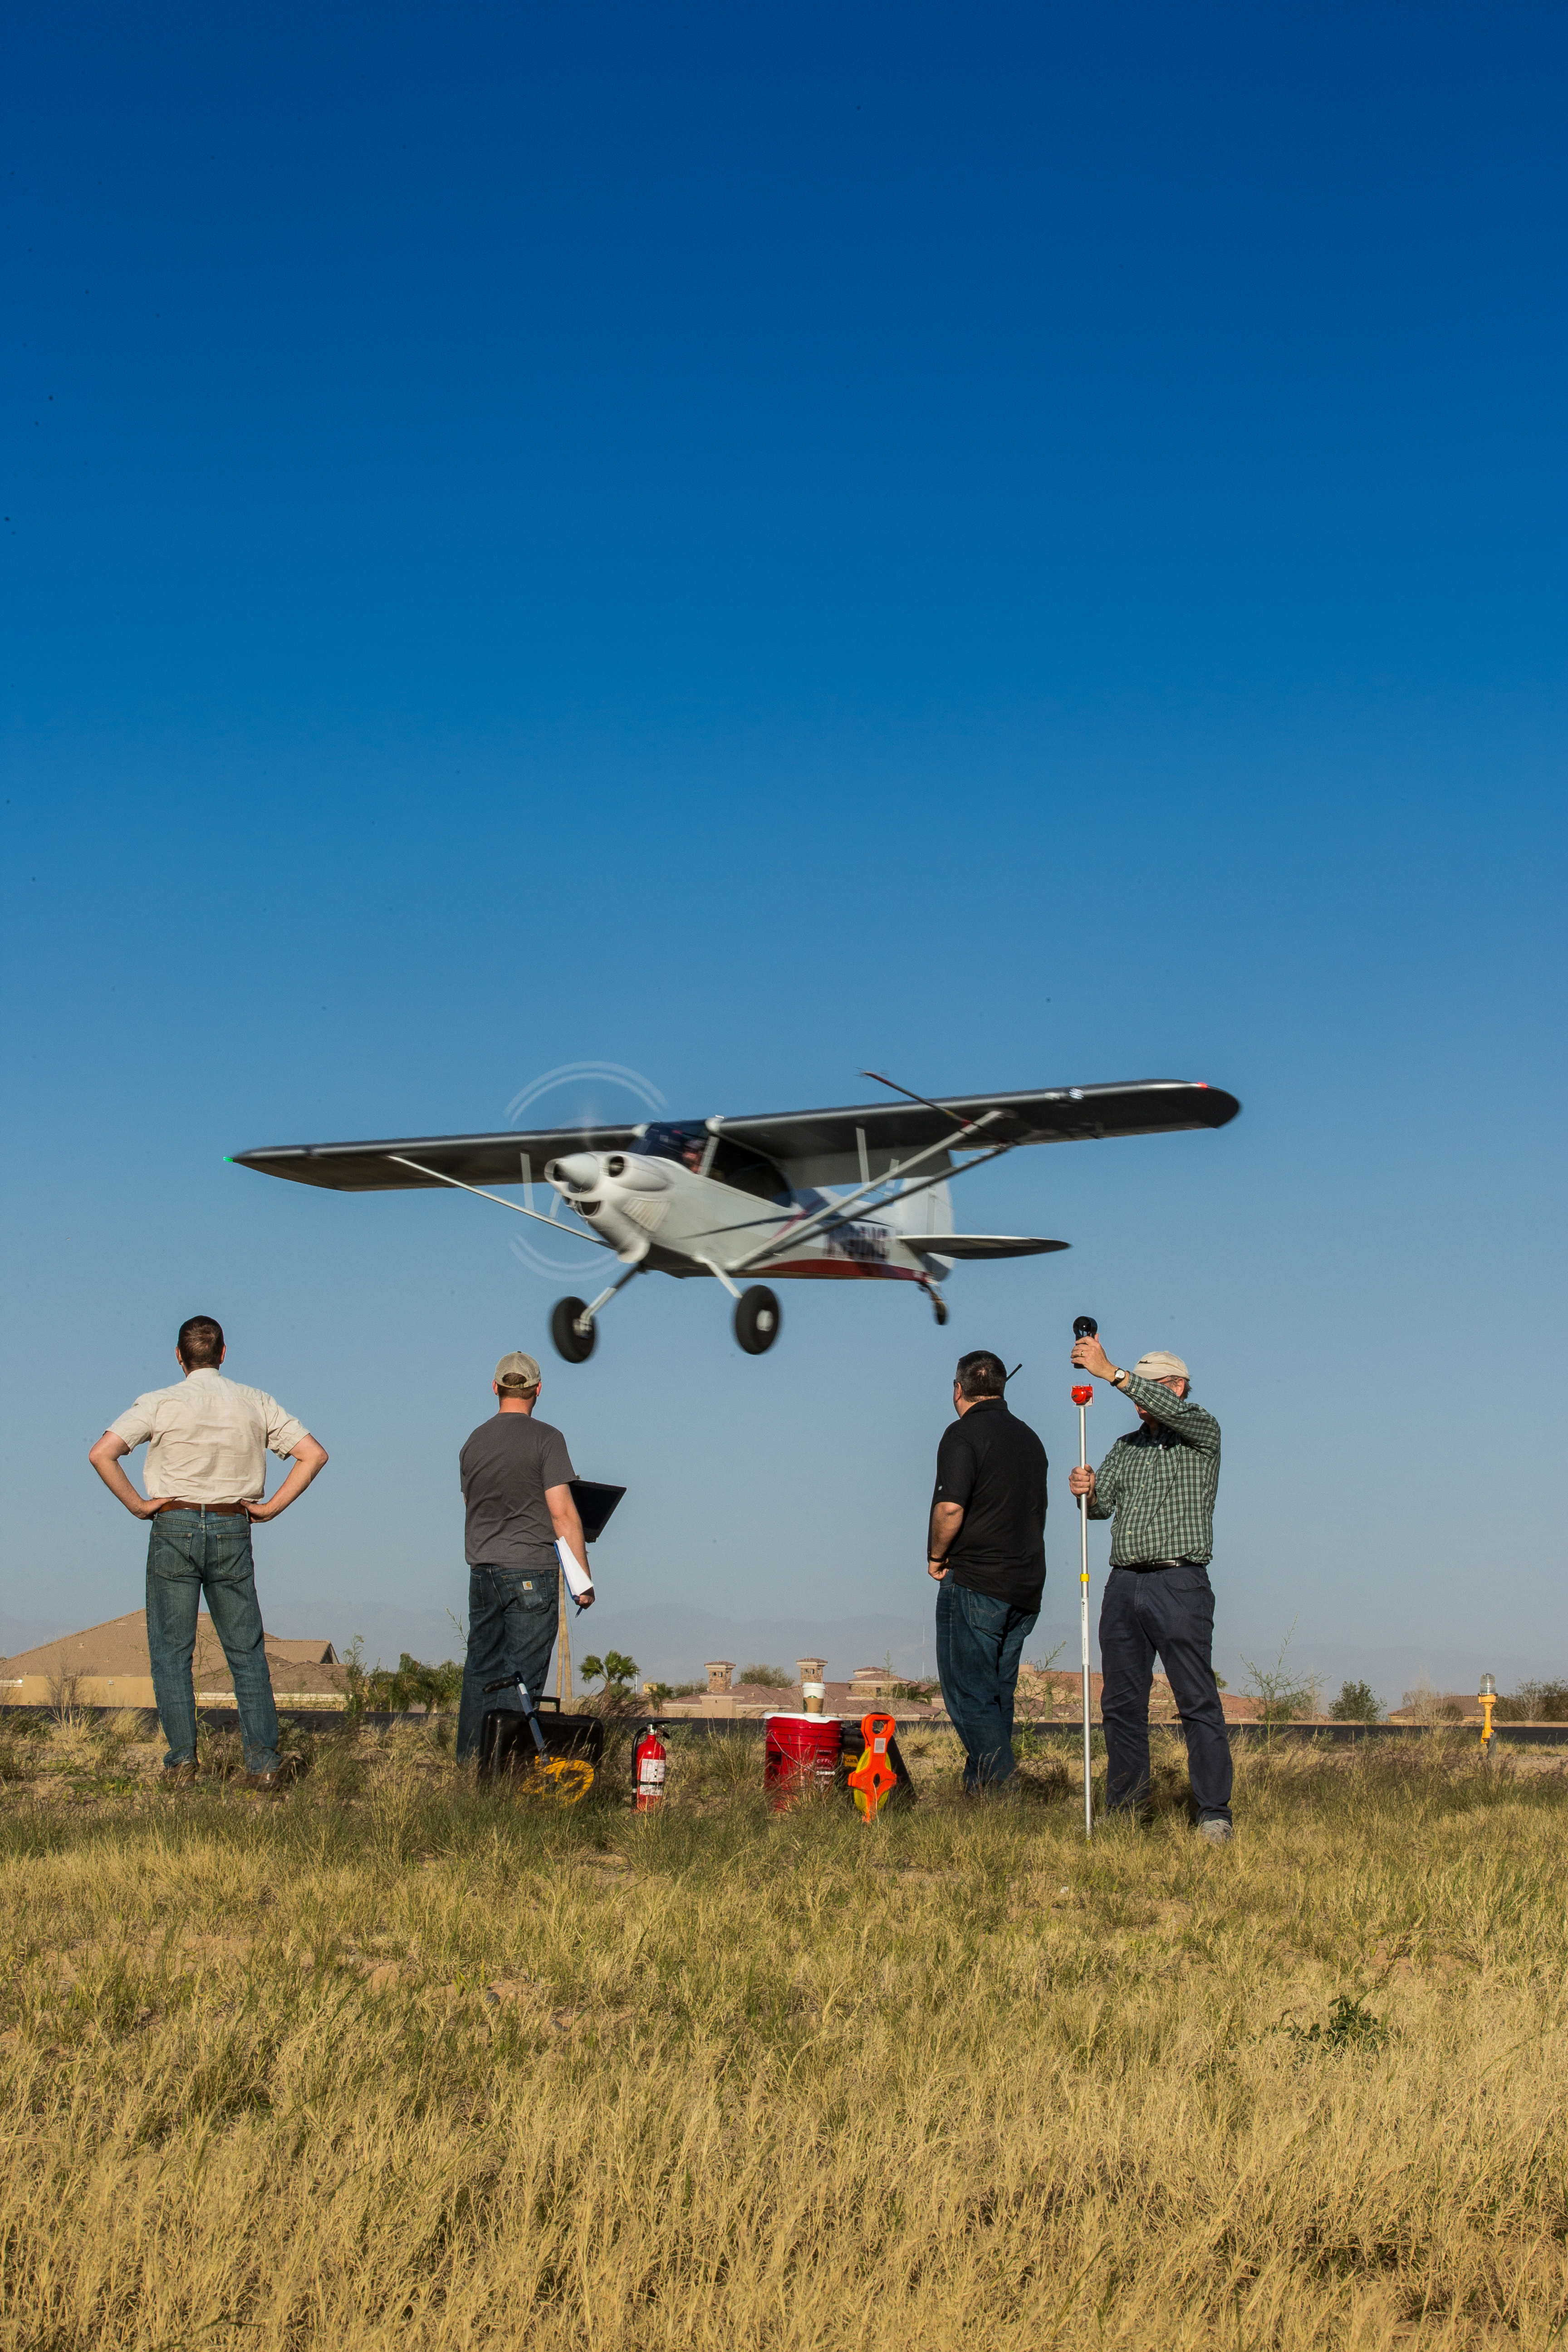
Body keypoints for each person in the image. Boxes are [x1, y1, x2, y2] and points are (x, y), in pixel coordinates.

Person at [87, 1315, 328, 1789]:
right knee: (246, 1652)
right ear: (223, 1353)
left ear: (179, 1357)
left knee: (172, 1652)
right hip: (232, 1524)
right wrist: (272, 1508)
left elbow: (102, 1453)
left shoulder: (159, 1403)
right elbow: (313, 1454)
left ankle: (182, 1765)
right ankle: (263, 1766)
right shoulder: (255, 1401)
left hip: (173, 1525)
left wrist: (139, 1505)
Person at [1067, 1333, 1232, 1840]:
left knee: (1196, 1699)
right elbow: (1100, 1509)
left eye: (1151, 1386)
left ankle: (1213, 1813)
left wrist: (1112, 1371)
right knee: (1121, 1702)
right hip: (1123, 1583)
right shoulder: (1126, 1448)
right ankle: (1127, 1808)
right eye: (1138, 1388)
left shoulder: (1202, 1431)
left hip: (1179, 1581)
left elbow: (1164, 1405)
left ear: (1177, 1387)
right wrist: (1085, 1490)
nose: (1140, 1397)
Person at [456, 1350, 592, 1763]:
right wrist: (582, 1581)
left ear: (496, 1388)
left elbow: (478, 1503)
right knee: (522, 1680)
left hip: (483, 1573)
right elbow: (562, 1513)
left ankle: (470, 1766)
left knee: (481, 1671)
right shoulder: (547, 1439)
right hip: (531, 1570)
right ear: (538, 1391)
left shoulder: (473, 1443)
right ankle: (504, 1773)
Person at [926, 1350, 1048, 1793]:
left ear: (958, 1389)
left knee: (968, 1695)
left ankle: (1002, 1791)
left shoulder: (963, 1434)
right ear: (1001, 1387)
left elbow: (951, 1508)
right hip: (1026, 1586)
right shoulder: (1030, 1439)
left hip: (977, 1582)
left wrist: (936, 1556)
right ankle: (979, 1798)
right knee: (996, 1696)